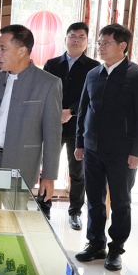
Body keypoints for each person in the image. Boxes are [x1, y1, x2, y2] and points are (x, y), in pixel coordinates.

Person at [74, 23, 138, 271]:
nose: (101, 47)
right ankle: (95, 243)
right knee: (94, 199)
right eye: (99, 42)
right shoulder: (93, 75)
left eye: (106, 42)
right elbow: (83, 111)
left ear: (122, 46)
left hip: (123, 152)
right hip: (92, 149)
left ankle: (116, 248)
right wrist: (80, 143)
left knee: (120, 201)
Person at [0, 25, 62, 208]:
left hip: (21, 163)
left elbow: (52, 135)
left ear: (21, 51)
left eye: (3, 48)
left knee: (16, 216)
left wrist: (49, 176)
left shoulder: (48, 83)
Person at [43, 22, 99, 230]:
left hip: (80, 126)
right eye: (72, 36)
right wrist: (56, 112)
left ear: (86, 41)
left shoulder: (94, 67)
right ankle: (44, 207)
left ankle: (75, 211)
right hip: (52, 123)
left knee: (77, 171)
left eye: (81, 37)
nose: (76, 40)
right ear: (65, 39)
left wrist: (71, 111)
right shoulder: (52, 64)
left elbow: (93, 95)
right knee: (48, 167)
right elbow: (44, 91)